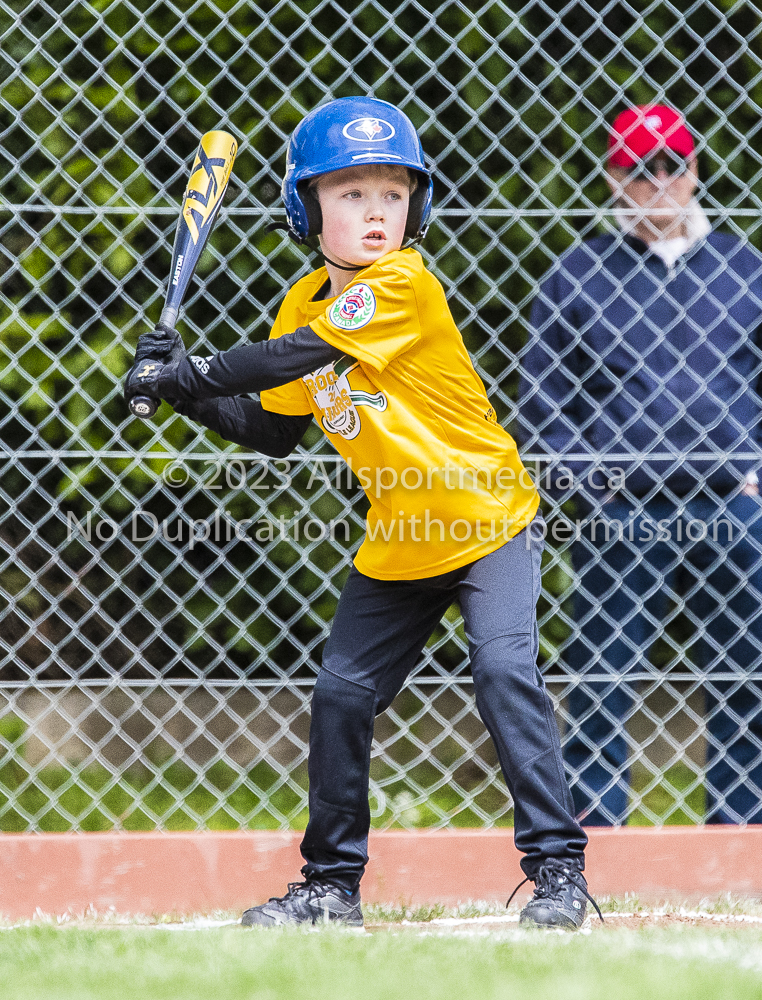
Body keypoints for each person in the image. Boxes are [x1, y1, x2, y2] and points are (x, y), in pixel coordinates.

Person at [125, 97, 598, 929]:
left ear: (416, 204)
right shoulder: (302, 300)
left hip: (488, 520)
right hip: (402, 538)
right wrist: (181, 397)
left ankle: (558, 872)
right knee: (341, 697)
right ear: (307, 209)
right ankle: (330, 887)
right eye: (349, 193)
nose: (377, 212)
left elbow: (298, 354)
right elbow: (272, 427)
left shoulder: (403, 287)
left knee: (501, 673)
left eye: (391, 193)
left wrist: (188, 371)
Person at [520, 104, 762, 826]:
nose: (659, 184)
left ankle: (743, 825)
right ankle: (596, 825)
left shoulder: (746, 269)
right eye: (640, 171)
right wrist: (592, 483)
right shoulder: (578, 275)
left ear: (695, 168)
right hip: (623, 509)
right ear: (616, 179)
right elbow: (544, 402)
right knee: (602, 671)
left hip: (731, 501)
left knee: (744, 670)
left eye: (673, 166)